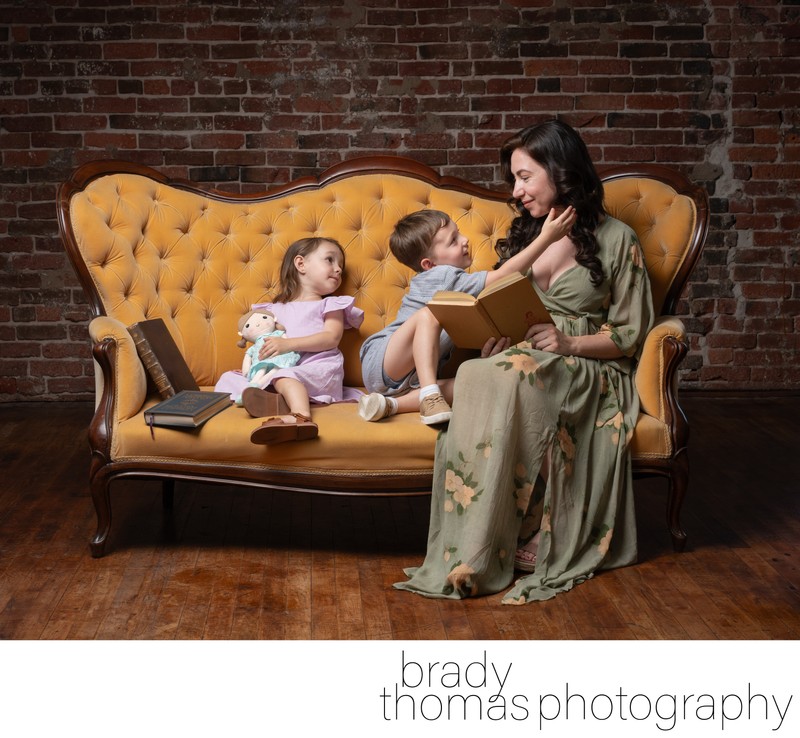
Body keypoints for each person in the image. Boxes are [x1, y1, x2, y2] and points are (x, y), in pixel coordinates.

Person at [394, 119, 654, 604]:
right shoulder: (527, 236)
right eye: (514, 179)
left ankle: (540, 529)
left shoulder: (618, 239)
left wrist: (570, 344)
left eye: (525, 177)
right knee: (476, 372)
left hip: (590, 366)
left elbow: (629, 335)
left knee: (512, 376)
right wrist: (493, 340)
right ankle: (478, 543)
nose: (515, 191)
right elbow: (500, 307)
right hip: (526, 358)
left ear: (560, 170)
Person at [358, 205, 576, 425]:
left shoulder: (460, 283)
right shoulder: (442, 276)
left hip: (406, 379)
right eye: (453, 241)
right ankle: (430, 395)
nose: (465, 240)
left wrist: (483, 359)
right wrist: (546, 238)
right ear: (429, 264)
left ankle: (389, 405)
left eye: (459, 233)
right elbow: (503, 275)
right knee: (428, 314)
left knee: (473, 379)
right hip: (383, 358)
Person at [214, 237, 364, 445]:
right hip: (278, 371)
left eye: (341, 266)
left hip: (317, 369)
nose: (338, 269)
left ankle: (301, 418)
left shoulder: (331, 305)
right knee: (228, 378)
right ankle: (275, 401)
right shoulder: (273, 310)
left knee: (285, 376)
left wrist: (288, 345)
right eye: (330, 260)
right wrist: (256, 364)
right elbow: (263, 341)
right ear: (301, 264)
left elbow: (331, 338)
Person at [236, 308, 301, 392]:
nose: (258, 324)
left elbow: (286, 342)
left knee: (276, 369)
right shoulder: (254, 347)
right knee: (261, 369)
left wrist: (289, 347)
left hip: (279, 358)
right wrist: (246, 371)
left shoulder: (278, 334)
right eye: (248, 326)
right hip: (261, 361)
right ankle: (252, 386)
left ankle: (256, 386)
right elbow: (248, 356)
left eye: (264, 318)